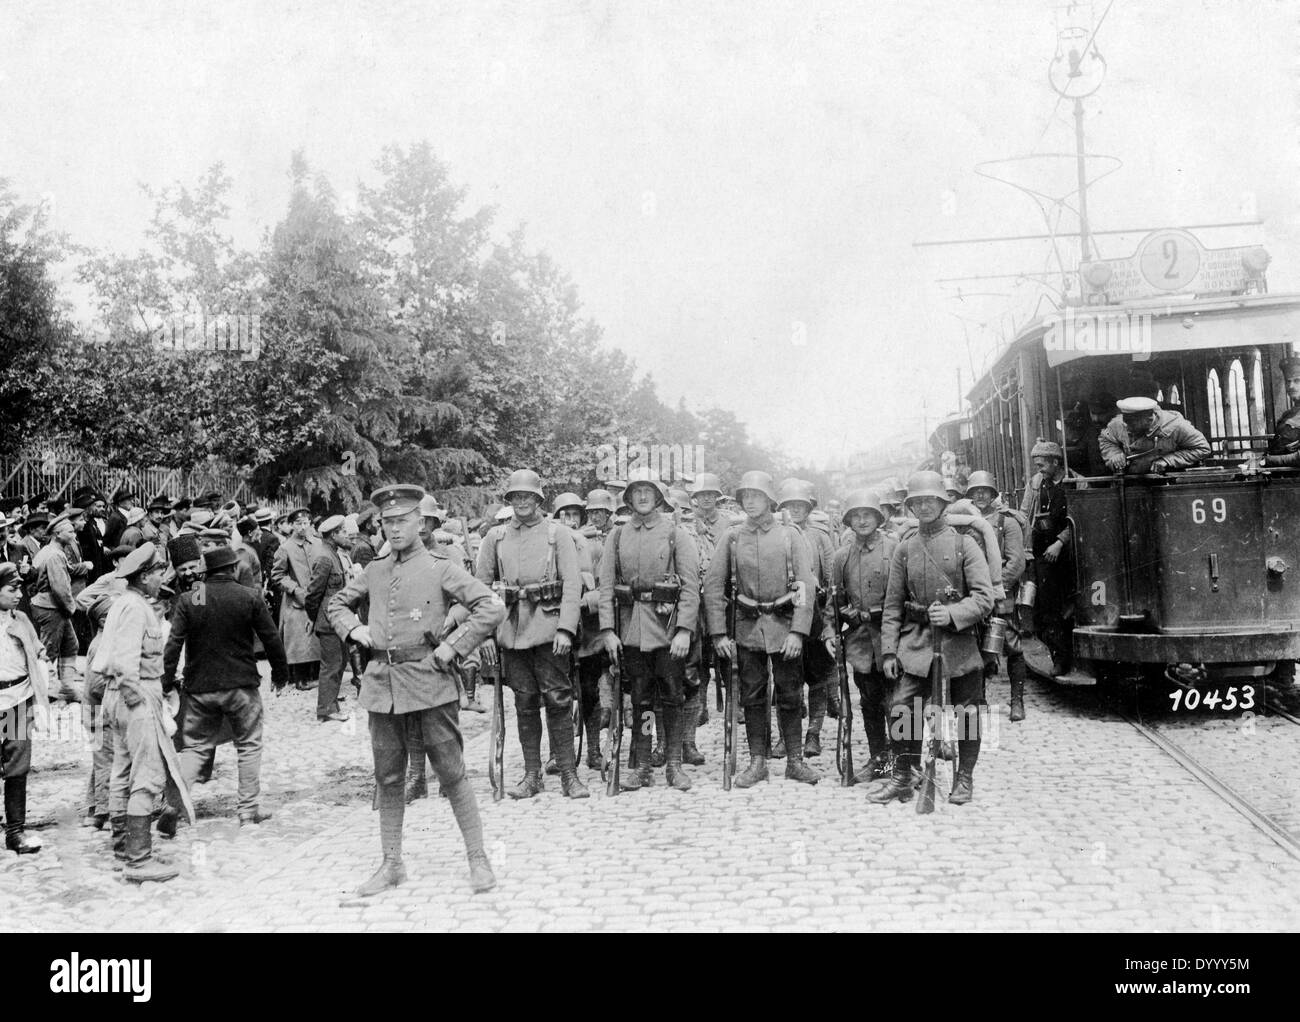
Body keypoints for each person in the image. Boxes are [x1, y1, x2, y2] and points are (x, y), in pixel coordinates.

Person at [329, 484, 504, 896]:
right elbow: (336, 603)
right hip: (382, 686)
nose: (392, 529)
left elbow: (490, 606)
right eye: (386, 522)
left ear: (421, 523)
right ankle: (391, 864)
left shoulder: (441, 567)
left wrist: (453, 646)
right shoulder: (374, 569)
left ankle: (478, 859)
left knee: (451, 771)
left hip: (429, 682)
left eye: (401, 521)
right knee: (388, 777)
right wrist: (354, 628)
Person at [869, 471, 994, 806]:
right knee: (900, 708)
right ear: (910, 506)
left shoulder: (963, 543)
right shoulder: (905, 549)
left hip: (959, 643)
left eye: (930, 500)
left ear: (943, 503)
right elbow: (892, 605)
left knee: (968, 712)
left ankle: (964, 777)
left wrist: (953, 614)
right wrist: (889, 651)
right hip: (917, 642)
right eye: (917, 501)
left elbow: (984, 598)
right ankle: (902, 777)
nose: (924, 506)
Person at [702, 470, 819, 787]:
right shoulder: (733, 537)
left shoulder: (789, 535)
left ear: (769, 500)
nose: (750, 501)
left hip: (784, 626)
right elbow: (713, 587)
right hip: (747, 627)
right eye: (745, 496)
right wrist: (718, 633)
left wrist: (798, 631)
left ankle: (794, 760)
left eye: (756, 496)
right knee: (752, 696)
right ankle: (758, 761)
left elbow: (805, 586)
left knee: (790, 693)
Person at [475, 469, 587, 799]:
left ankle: (568, 773)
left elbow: (572, 584)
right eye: (516, 497)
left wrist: (566, 628)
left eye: (528, 496)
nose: (522, 502)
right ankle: (532, 774)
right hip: (511, 631)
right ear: (509, 501)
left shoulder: (558, 534)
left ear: (538, 499)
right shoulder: (495, 538)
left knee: (558, 699)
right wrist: (484, 635)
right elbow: (479, 589)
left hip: (551, 630)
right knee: (524, 702)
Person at [163, 545, 287, 827]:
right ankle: (247, 811)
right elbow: (271, 638)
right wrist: (280, 674)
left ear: (206, 572)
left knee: (195, 749)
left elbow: (173, 645)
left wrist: (167, 680)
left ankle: (174, 804)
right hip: (241, 684)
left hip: (200, 688)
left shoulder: (192, 597)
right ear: (233, 569)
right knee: (249, 745)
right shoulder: (249, 596)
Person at [95, 543, 195, 882]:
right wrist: (140, 702)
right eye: (156, 573)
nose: (160, 579)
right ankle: (138, 860)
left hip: (120, 697)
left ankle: (123, 847)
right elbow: (124, 664)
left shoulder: (125, 603)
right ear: (144, 575)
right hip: (135, 698)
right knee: (147, 775)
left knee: (122, 773)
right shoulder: (137, 608)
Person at [597, 471, 700, 791]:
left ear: (659, 498)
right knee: (640, 698)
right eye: (637, 491)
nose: (642, 496)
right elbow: (605, 588)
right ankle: (642, 765)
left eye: (648, 491)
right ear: (628, 498)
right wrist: (608, 630)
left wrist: (684, 630)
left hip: (667, 630)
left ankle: (673, 764)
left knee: (672, 696)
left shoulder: (675, 534)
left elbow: (690, 588)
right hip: (631, 631)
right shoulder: (616, 536)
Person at [826, 489, 896, 782]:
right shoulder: (842, 556)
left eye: (868, 514)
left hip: (893, 635)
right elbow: (834, 600)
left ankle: (905, 762)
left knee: (900, 702)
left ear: (878, 518)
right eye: (857, 515)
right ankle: (879, 759)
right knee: (869, 701)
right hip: (861, 640)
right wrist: (830, 630)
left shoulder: (895, 548)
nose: (863, 520)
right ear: (849, 521)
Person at [777, 478, 836, 760]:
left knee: (818, 676)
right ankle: (785, 737)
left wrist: (827, 621)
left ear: (809, 507)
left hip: (814, 612)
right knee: (785, 678)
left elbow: (831, 579)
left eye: (801, 505)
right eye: (790, 505)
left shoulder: (821, 537)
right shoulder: (776, 534)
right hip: (783, 615)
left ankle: (813, 733)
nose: (796, 510)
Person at [966, 471, 1029, 721]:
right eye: (975, 491)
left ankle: (1017, 701)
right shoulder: (964, 521)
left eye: (985, 490)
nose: (980, 495)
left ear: (993, 493)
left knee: (1011, 645)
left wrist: (993, 589)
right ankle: (978, 699)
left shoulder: (1007, 521)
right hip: (972, 595)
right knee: (975, 646)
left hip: (1000, 595)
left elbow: (1016, 562)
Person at [0, 562, 49, 853]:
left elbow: (37, 649)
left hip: (18, 699)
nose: (18, 594)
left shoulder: (21, 620)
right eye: (11, 589)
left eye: (19, 588)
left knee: (17, 766)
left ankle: (15, 833)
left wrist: (41, 662)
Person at [1019, 440, 1075, 676]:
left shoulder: (1074, 481)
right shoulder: (1036, 483)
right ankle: (1058, 657)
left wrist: (1060, 542)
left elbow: (1079, 519)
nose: (1039, 470)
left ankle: (1066, 658)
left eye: (1042, 465)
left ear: (1056, 462)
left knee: (1068, 605)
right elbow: (1025, 513)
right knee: (1046, 609)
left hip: (1069, 554)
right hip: (1043, 554)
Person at [29, 511, 89, 702]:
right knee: (48, 651)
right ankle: (42, 690)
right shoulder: (54, 555)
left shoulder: (50, 551)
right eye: (70, 532)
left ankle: (66, 687)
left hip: (54, 607)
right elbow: (60, 589)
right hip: (52, 608)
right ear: (57, 534)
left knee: (71, 645)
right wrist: (71, 608)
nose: (74, 535)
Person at [305, 515, 353, 724]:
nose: (347, 534)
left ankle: (331, 703)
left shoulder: (332, 554)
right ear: (333, 535)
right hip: (328, 621)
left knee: (339, 662)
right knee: (332, 665)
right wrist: (316, 619)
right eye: (343, 532)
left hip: (336, 620)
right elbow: (313, 594)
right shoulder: (325, 558)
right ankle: (325, 710)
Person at [271, 507, 322, 689]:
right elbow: (277, 575)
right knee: (298, 640)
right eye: (298, 524)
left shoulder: (317, 543)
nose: (302, 527)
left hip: (317, 596)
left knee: (317, 637)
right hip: (296, 601)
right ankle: (299, 678)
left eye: (306, 523)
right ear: (292, 525)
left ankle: (315, 674)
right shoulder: (285, 547)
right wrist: (294, 589)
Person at [1098, 396, 1211, 474]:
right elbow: (1106, 439)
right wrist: (1115, 454)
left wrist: (1168, 460)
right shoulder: (1119, 423)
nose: (1127, 427)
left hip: (1165, 483)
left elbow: (1203, 448)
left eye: (1133, 423)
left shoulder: (1176, 426)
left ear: (1149, 418)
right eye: (1126, 421)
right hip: (1130, 482)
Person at [1264, 357, 1300, 468]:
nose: (1291, 386)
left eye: (1297, 381)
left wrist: (1266, 461)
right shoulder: (1287, 415)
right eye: (1287, 381)